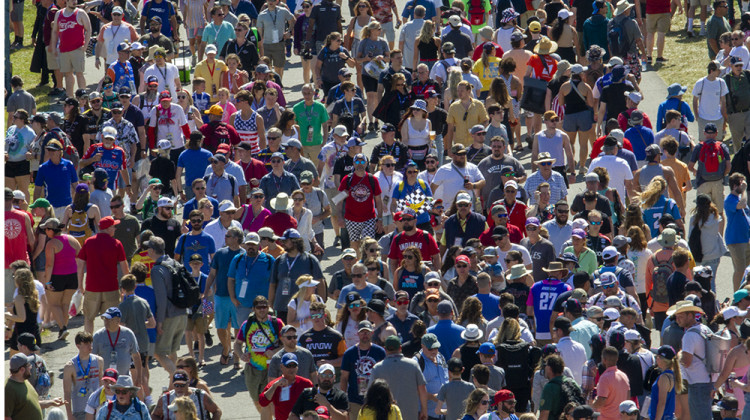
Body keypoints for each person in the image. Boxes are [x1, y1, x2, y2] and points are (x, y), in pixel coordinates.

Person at [369, 336, 428, 420]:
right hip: (410, 414)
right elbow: (422, 389)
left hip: (386, 415)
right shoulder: (413, 365)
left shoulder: (377, 368)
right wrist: (424, 410)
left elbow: (370, 395)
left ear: (385, 349)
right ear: (400, 348)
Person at [91, 307, 142, 386]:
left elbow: (136, 356)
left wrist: (139, 377)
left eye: (109, 319)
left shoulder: (128, 334)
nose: (106, 322)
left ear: (118, 321)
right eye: (105, 319)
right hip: (105, 380)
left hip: (124, 379)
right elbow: (92, 359)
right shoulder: (98, 336)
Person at [7, 353, 65, 419]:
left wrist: (50, 402)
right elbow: (6, 417)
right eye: (28, 365)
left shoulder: (24, 381)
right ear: (22, 370)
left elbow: (31, 405)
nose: (31, 367)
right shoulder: (8, 390)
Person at [527, 261, 572, 344]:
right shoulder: (566, 288)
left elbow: (529, 311)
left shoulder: (535, 286)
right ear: (561, 273)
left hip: (540, 333)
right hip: (558, 333)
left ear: (548, 273)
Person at [725, 174, 750, 290]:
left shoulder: (740, 198)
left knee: (747, 270)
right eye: (742, 183)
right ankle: (737, 295)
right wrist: (744, 191)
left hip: (746, 238)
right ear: (735, 186)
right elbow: (742, 205)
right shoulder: (730, 200)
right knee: (740, 270)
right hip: (735, 240)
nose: (744, 185)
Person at [648, 345, 681, 420]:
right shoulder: (671, 375)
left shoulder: (664, 378)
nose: (656, 358)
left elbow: (662, 403)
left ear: (662, 359)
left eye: (657, 356)